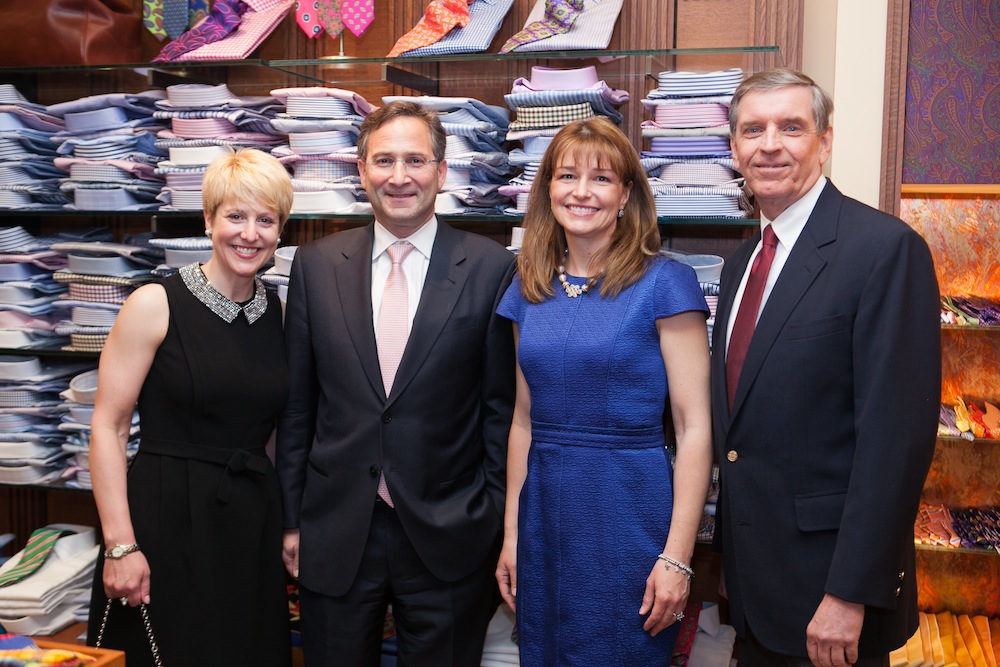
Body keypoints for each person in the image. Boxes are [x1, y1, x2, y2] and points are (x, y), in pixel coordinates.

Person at [711, 68, 941, 667]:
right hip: (756, 587)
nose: (769, 144)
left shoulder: (883, 251)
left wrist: (849, 593)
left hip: (832, 599)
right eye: (752, 129)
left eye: (791, 127)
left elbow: (896, 443)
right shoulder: (739, 266)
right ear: (733, 147)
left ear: (826, 140)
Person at [276, 100, 516, 667]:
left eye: (415, 160)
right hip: (335, 531)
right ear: (361, 171)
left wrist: (491, 518)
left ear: (441, 168)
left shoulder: (490, 267)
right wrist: (292, 518)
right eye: (384, 160)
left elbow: (501, 412)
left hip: (450, 535)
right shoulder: (314, 265)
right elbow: (297, 408)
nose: (399, 177)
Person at [494, 117, 714, 666]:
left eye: (602, 178)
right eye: (567, 175)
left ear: (626, 195)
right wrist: (512, 536)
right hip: (543, 515)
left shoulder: (667, 282)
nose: (582, 191)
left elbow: (694, 428)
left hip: (629, 511)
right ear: (547, 189)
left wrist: (678, 557)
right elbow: (523, 422)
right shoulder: (530, 283)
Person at [85, 148, 295, 666]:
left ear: (281, 230)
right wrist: (120, 546)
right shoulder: (155, 303)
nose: (250, 233)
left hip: (249, 522)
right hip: (165, 519)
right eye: (235, 216)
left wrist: (287, 524)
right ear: (208, 220)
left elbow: (275, 430)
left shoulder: (281, 315)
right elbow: (108, 428)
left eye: (265, 220)